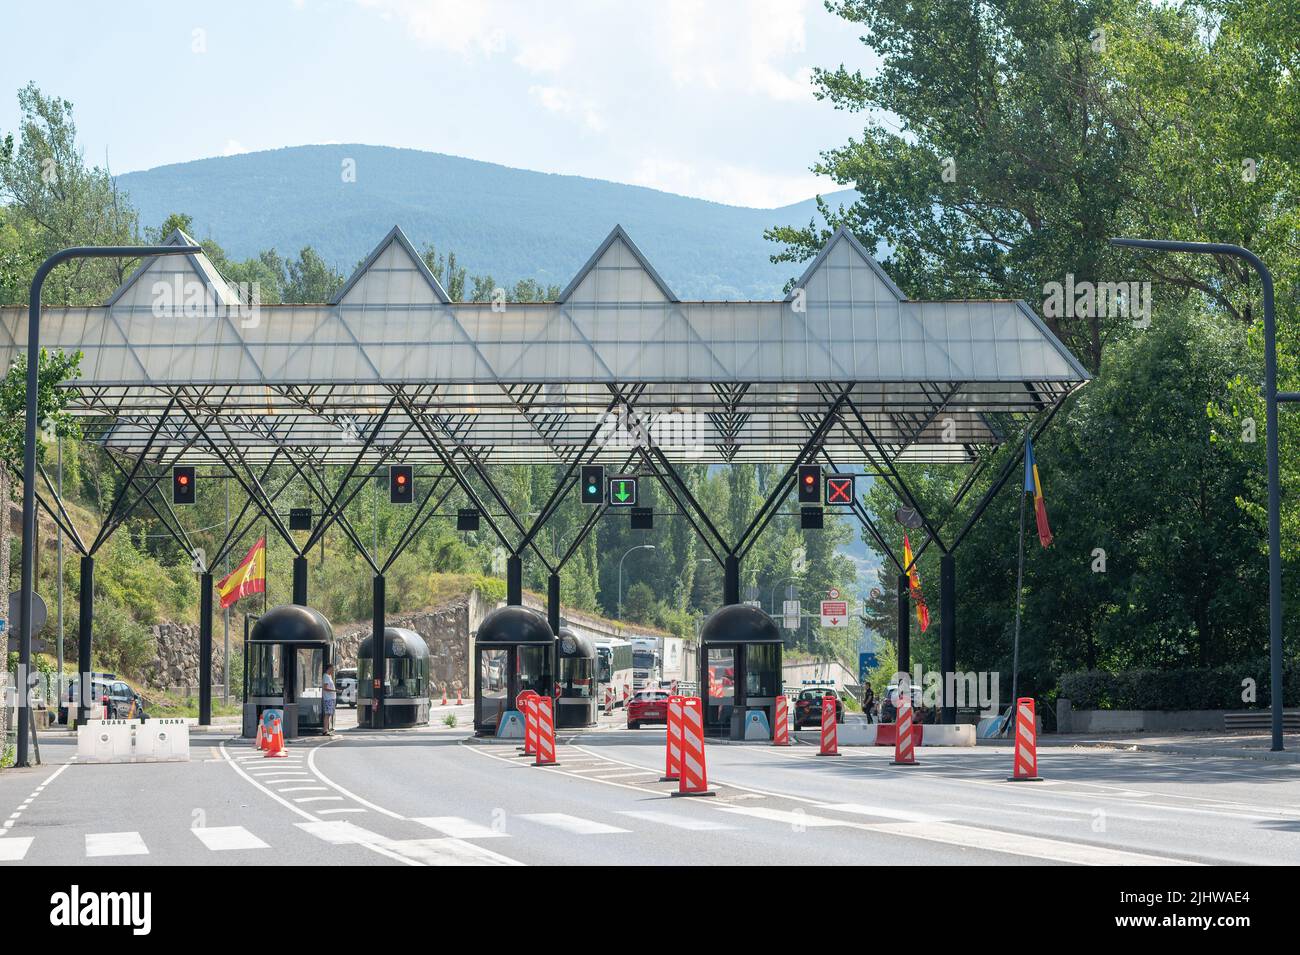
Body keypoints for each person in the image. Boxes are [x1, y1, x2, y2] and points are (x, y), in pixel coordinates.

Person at [321, 663, 337, 736]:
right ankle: (325, 730)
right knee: (327, 714)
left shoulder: (329, 676)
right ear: (329, 668)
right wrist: (334, 691)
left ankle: (326, 729)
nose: (333, 670)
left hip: (331, 698)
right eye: (332, 669)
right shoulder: (326, 677)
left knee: (329, 714)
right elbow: (325, 688)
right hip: (328, 698)